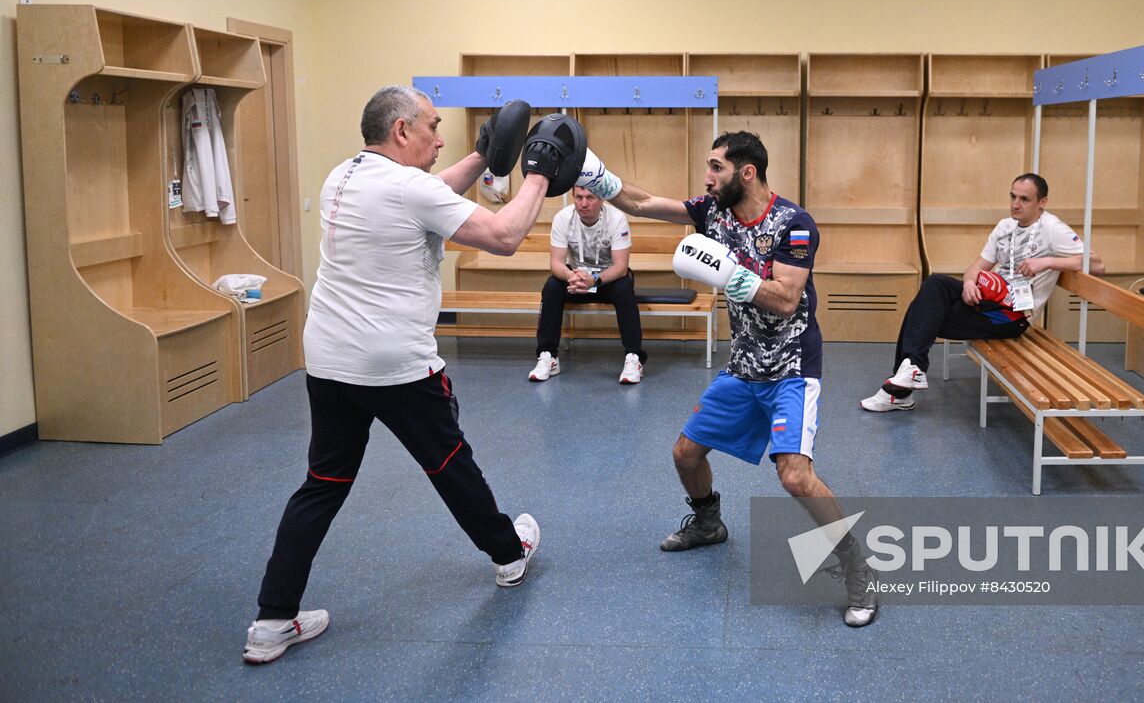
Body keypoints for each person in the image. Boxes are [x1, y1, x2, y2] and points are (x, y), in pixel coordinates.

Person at [243, 89, 584, 664]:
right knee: (449, 462)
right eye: (433, 126)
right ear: (402, 131)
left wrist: (481, 158)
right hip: (395, 363)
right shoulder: (407, 188)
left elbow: (430, 196)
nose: (440, 136)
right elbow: (502, 237)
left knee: (322, 483)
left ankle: (272, 622)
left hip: (329, 358)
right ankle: (509, 554)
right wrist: (537, 176)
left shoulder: (344, 175)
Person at [577, 131, 879, 627]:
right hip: (743, 365)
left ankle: (856, 567)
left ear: (747, 173)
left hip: (791, 367)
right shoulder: (712, 210)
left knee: (795, 476)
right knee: (685, 454)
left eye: (716, 167)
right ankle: (709, 522)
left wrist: (725, 273)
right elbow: (645, 201)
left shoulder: (794, 224)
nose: (707, 177)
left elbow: (785, 299)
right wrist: (590, 173)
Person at [860, 172, 1105, 412]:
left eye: (1024, 199)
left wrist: (1047, 262)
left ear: (1042, 203)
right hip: (987, 301)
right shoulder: (1005, 226)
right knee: (934, 284)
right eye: (1013, 197)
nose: (1015, 204)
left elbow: (1097, 264)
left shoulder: (1052, 228)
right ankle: (910, 374)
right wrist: (969, 283)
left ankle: (901, 390)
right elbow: (977, 267)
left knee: (920, 313)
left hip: (1012, 317)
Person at [530, 186, 646, 384]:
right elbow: (556, 264)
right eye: (579, 197)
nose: (584, 203)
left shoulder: (616, 219)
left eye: (590, 198)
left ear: (601, 199)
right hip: (575, 278)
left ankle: (634, 358)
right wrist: (570, 276)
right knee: (551, 287)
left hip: (607, 279)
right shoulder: (563, 218)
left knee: (625, 287)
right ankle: (548, 356)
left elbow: (620, 266)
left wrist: (594, 280)